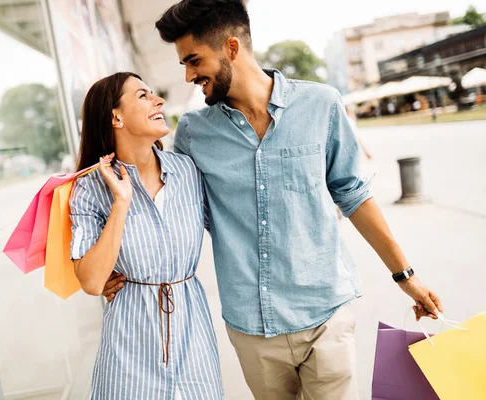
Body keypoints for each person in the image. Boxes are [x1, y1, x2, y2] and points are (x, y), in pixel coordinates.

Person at [104, 1, 444, 399]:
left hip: (326, 314)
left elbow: (354, 196)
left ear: (232, 48)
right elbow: (172, 210)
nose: (188, 75)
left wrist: (407, 276)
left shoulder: (321, 105)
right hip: (252, 327)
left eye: (194, 60)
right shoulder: (194, 134)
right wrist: (123, 262)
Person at [70, 72, 223, 399]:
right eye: (143, 95)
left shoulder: (187, 170)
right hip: (130, 351)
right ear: (116, 116)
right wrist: (121, 202)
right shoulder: (90, 188)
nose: (159, 101)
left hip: (192, 341)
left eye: (154, 94)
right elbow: (92, 282)